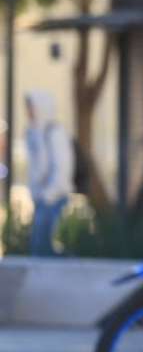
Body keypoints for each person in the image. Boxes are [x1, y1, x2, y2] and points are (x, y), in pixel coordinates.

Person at [24, 90, 73, 257]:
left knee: (43, 248)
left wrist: (48, 194)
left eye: (31, 107)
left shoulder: (53, 132)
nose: (29, 112)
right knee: (40, 248)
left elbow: (62, 166)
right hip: (41, 198)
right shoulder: (33, 132)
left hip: (53, 198)